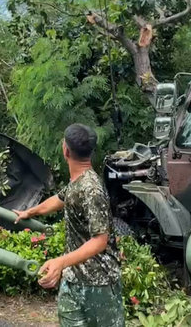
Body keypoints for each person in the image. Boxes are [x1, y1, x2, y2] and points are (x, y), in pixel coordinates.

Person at [13, 123, 123, 327]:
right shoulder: (77, 182)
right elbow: (60, 199)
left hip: (99, 283)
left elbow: (100, 241)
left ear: (65, 150)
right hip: (74, 278)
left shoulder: (92, 189)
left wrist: (60, 262)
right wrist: (30, 211)